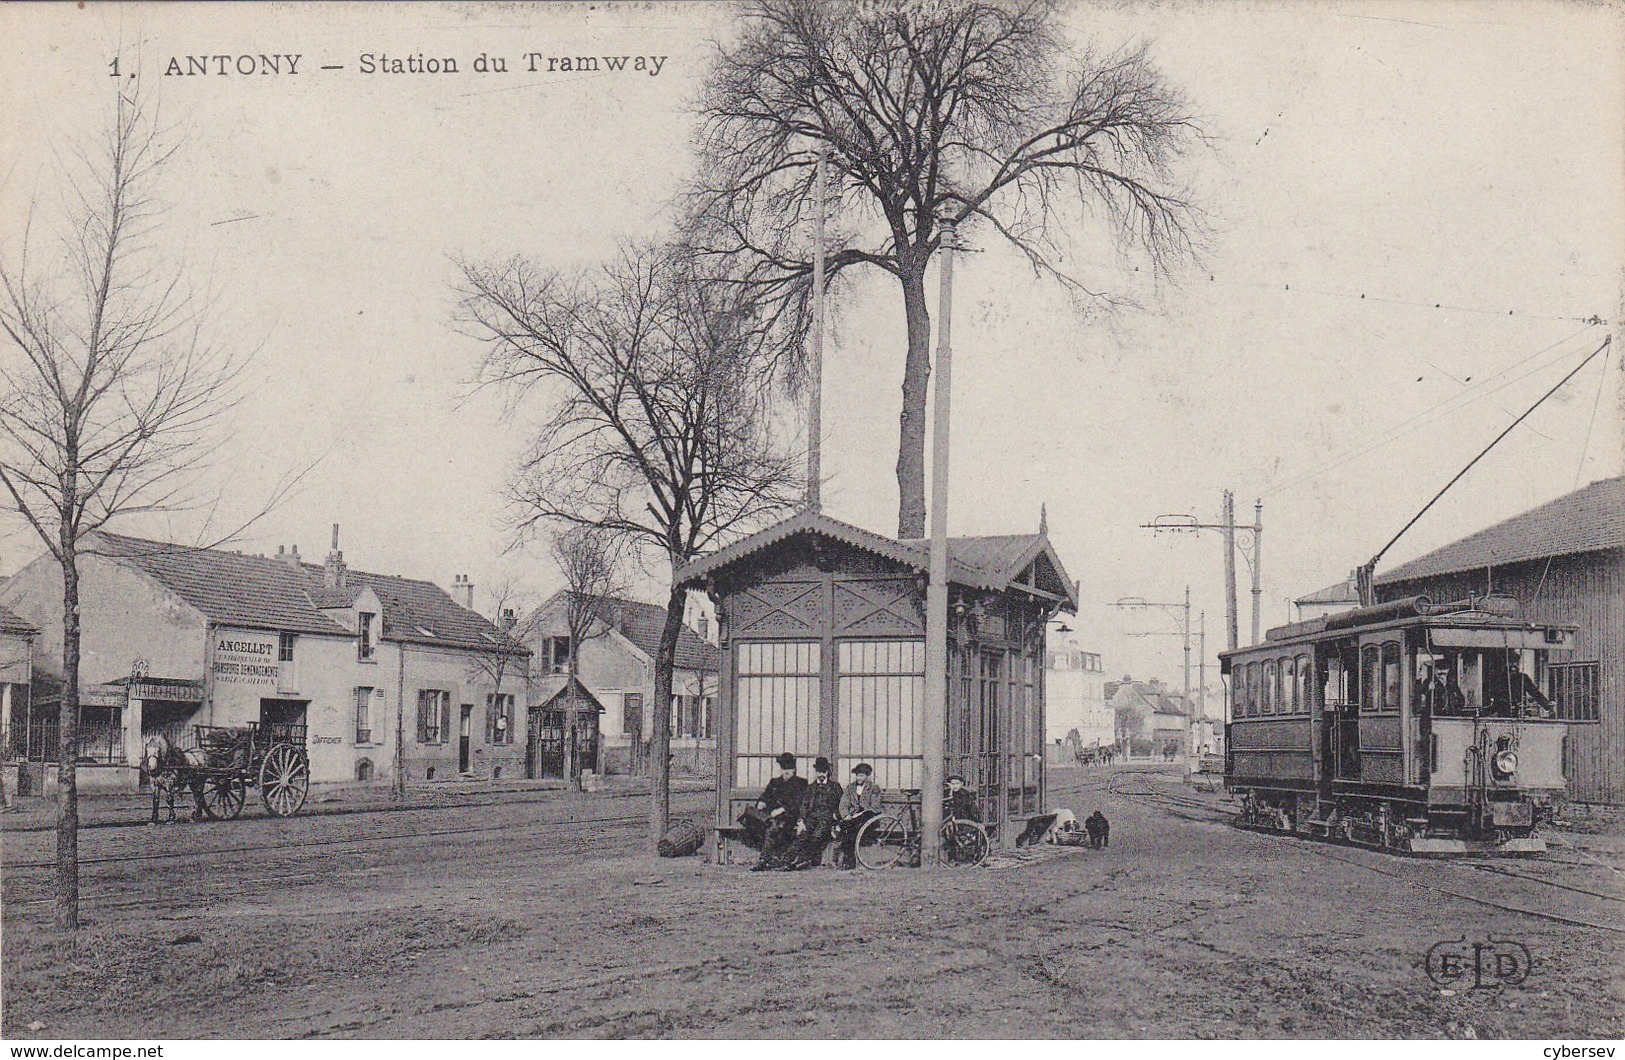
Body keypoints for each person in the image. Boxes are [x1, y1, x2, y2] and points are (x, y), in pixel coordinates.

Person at [751, 752, 807, 871]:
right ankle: (768, 859)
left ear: (794, 770)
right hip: (772, 817)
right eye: (784, 769)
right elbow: (765, 796)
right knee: (762, 823)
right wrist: (762, 802)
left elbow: (799, 803)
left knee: (773, 827)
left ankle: (764, 860)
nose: (786, 772)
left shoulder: (801, 783)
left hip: (790, 818)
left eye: (789, 769)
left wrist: (782, 809)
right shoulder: (774, 782)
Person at [787, 756, 844, 870]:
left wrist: (836, 816)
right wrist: (801, 821)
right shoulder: (810, 787)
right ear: (816, 772)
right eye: (819, 771)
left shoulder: (835, 787)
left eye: (823, 771)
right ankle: (786, 860)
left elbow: (842, 804)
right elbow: (804, 805)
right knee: (802, 835)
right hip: (811, 817)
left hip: (827, 818)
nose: (821, 774)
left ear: (827, 772)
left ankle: (801, 861)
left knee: (816, 836)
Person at [834, 762, 883, 869]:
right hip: (853, 817)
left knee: (848, 828)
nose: (859, 778)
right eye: (857, 775)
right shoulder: (850, 787)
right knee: (848, 829)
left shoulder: (874, 788)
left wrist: (861, 813)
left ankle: (848, 860)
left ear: (866, 776)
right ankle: (849, 860)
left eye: (861, 775)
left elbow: (875, 806)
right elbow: (843, 804)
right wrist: (846, 814)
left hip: (869, 816)